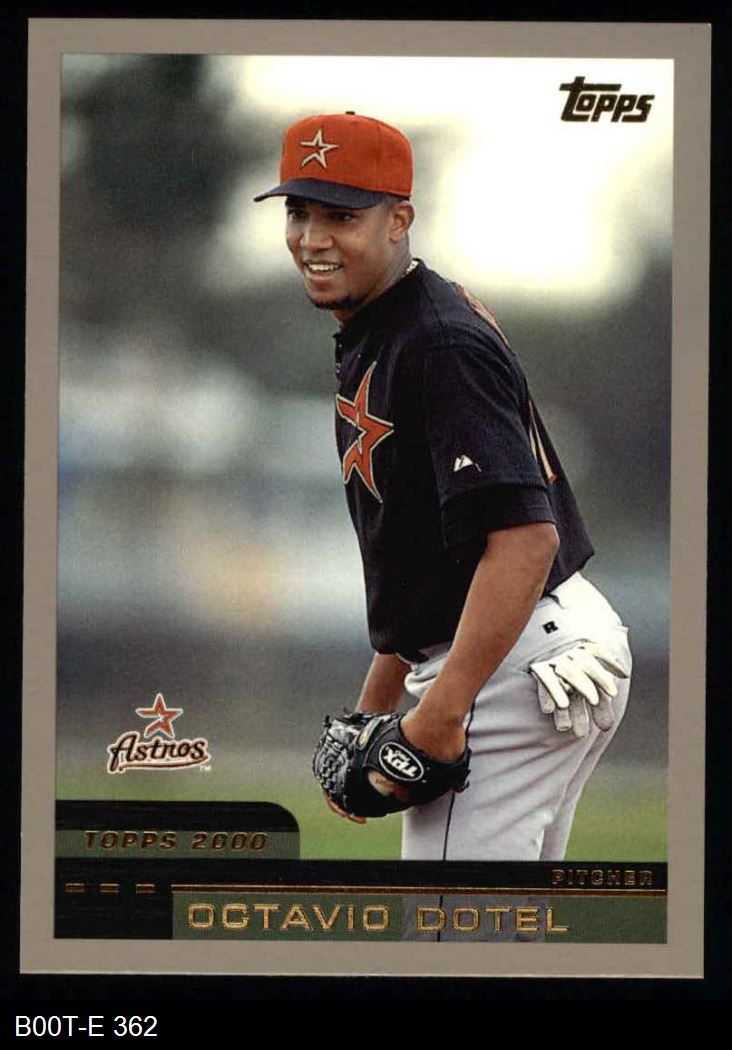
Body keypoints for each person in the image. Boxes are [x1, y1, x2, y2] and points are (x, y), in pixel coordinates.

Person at [254, 111, 632, 861]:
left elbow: (524, 540)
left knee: (448, 921)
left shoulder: (438, 339)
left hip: (510, 656)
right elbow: (428, 559)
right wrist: (377, 704)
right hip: (531, 642)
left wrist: (444, 709)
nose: (312, 238)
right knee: (496, 922)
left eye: (341, 216)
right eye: (299, 212)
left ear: (398, 221)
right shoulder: (387, 326)